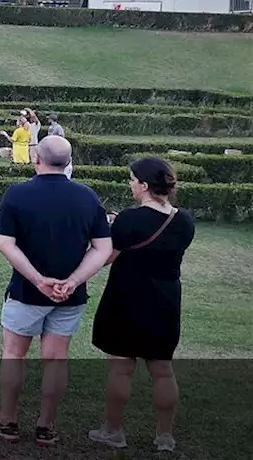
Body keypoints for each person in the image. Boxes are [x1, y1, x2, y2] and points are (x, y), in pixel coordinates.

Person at [0, 136, 113, 447]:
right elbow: (102, 248)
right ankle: (46, 426)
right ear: (68, 162)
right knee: (56, 359)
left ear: (36, 159)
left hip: (26, 292)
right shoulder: (87, 196)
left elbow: (5, 243)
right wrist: (73, 280)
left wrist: (39, 280)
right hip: (70, 297)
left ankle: (8, 422)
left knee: (14, 354)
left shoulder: (18, 194)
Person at [87, 157, 195, 453]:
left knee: (121, 368)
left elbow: (108, 256)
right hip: (165, 301)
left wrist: (113, 225)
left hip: (127, 299)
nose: (130, 184)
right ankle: (164, 436)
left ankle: (113, 431)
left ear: (145, 185)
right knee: (162, 370)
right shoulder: (184, 220)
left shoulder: (129, 219)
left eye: (133, 180)